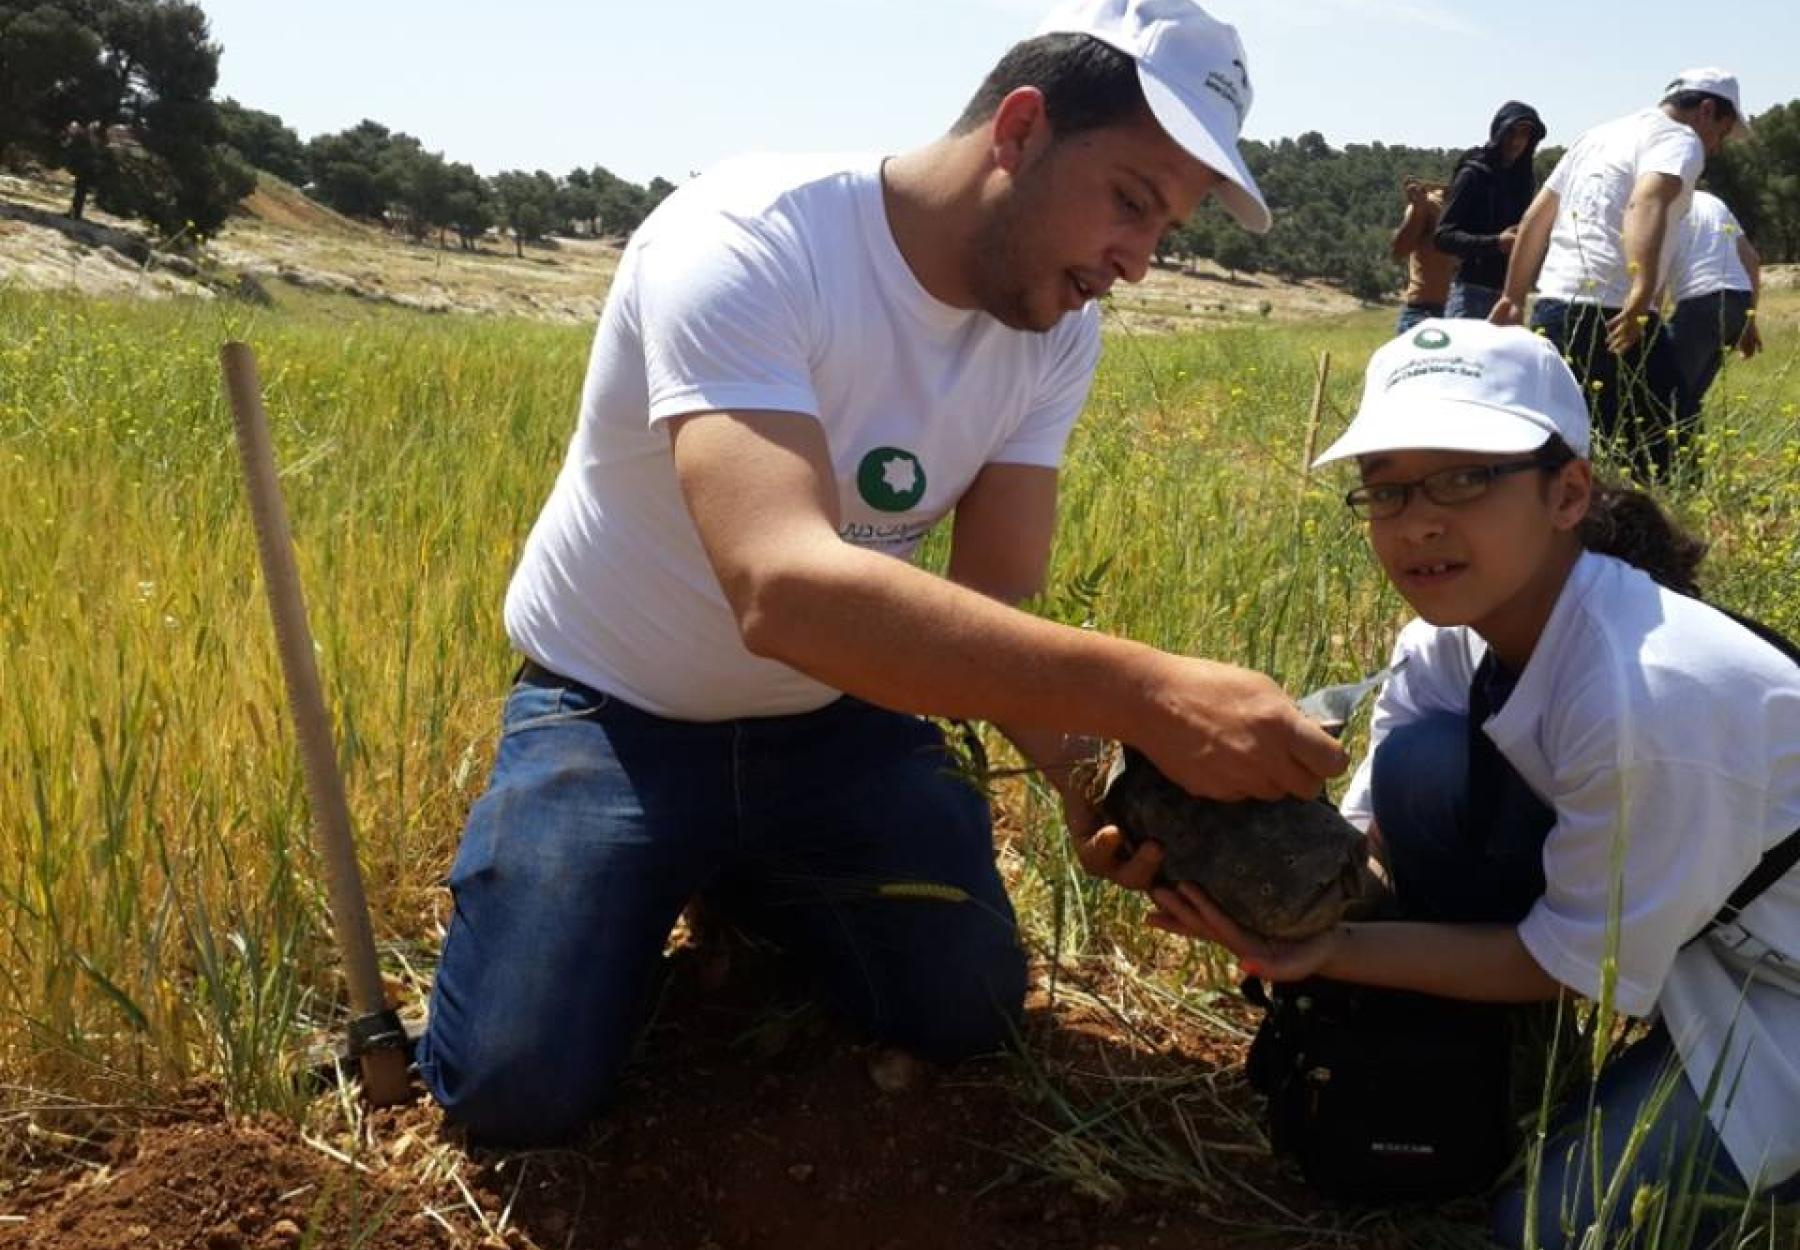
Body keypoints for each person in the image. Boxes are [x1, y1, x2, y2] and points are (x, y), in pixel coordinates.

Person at [414, 0, 1348, 1147]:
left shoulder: (1054, 325)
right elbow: (783, 585)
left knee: (966, 1009)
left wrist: (1095, 782)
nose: (1139, 263)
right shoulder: (749, 239)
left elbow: (994, 606)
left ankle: (745, 881)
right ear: (1018, 129)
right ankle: (674, 867)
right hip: (615, 717)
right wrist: (1147, 692)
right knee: (513, 1086)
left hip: (842, 724)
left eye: (1167, 231)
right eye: (1132, 202)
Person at [1143, 319, 1800, 1249]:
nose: (1417, 522)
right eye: (1386, 490)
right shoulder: (1452, 641)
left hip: (1783, 992)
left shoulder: (1644, 695)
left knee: (1551, 1227)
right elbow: (1370, 839)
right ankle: (1480, 1068)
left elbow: (1560, 965)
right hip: (1700, 944)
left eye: (1464, 478)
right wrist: (1227, 848)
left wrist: (1319, 955)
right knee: (1420, 772)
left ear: (1567, 492)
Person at [1492, 69, 1748, 480]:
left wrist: (1513, 297)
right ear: (1706, 110)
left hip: (1555, 310)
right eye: (1723, 131)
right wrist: (1642, 289)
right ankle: (1642, 539)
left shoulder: (1596, 137)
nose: (1717, 146)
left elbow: (1535, 219)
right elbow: (1645, 202)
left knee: (1578, 448)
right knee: (1673, 454)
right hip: (1613, 315)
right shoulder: (1680, 139)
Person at [1434, 101, 1545, 320]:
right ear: (1498, 132)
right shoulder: (1474, 174)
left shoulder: (1522, 179)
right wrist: (1496, 242)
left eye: (1524, 134)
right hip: (1471, 293)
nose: (1516, 141)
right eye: (1511, 132)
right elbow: (1442, 237)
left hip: (1509, 294)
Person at [1665, 188, 1763, 427]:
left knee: (1667, 395)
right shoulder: (1712, 201)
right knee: (1689, 396)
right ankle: (1689, 460)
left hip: (1701, 303)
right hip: (1738, 302)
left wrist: (1645, 323)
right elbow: (1752, 259)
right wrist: (1749, 322)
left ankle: (1676, 461)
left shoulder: (1663, 206)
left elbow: (1655, 271)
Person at [1389, 178, 1456, 334]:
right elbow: (1399, 250)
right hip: (1425, 311)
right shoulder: (1430, 203)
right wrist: (1418, 210)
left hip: (1466, 313)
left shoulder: (1479, 203)